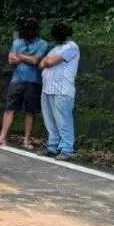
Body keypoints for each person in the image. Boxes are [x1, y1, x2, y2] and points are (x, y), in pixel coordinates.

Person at [0, 16, 47, 148]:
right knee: (9, 108)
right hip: (17, 79)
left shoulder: (42, 43)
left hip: (34, 81)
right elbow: (11, 60)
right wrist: (26, 58)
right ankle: (2, 137)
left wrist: (20, 56)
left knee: (30, 111)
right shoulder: (17, 41)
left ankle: (26, 140)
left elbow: (35, 61)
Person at [38, 21, 80, 160]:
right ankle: (53, 147)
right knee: (50, 121)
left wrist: (47, 61)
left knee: (63, 121)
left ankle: (67, 149)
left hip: (62, 90)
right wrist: (46, 61)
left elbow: (48, 62)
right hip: (48, 89)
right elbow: (41, 64)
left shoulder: (72, 47)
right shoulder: (55, 48)